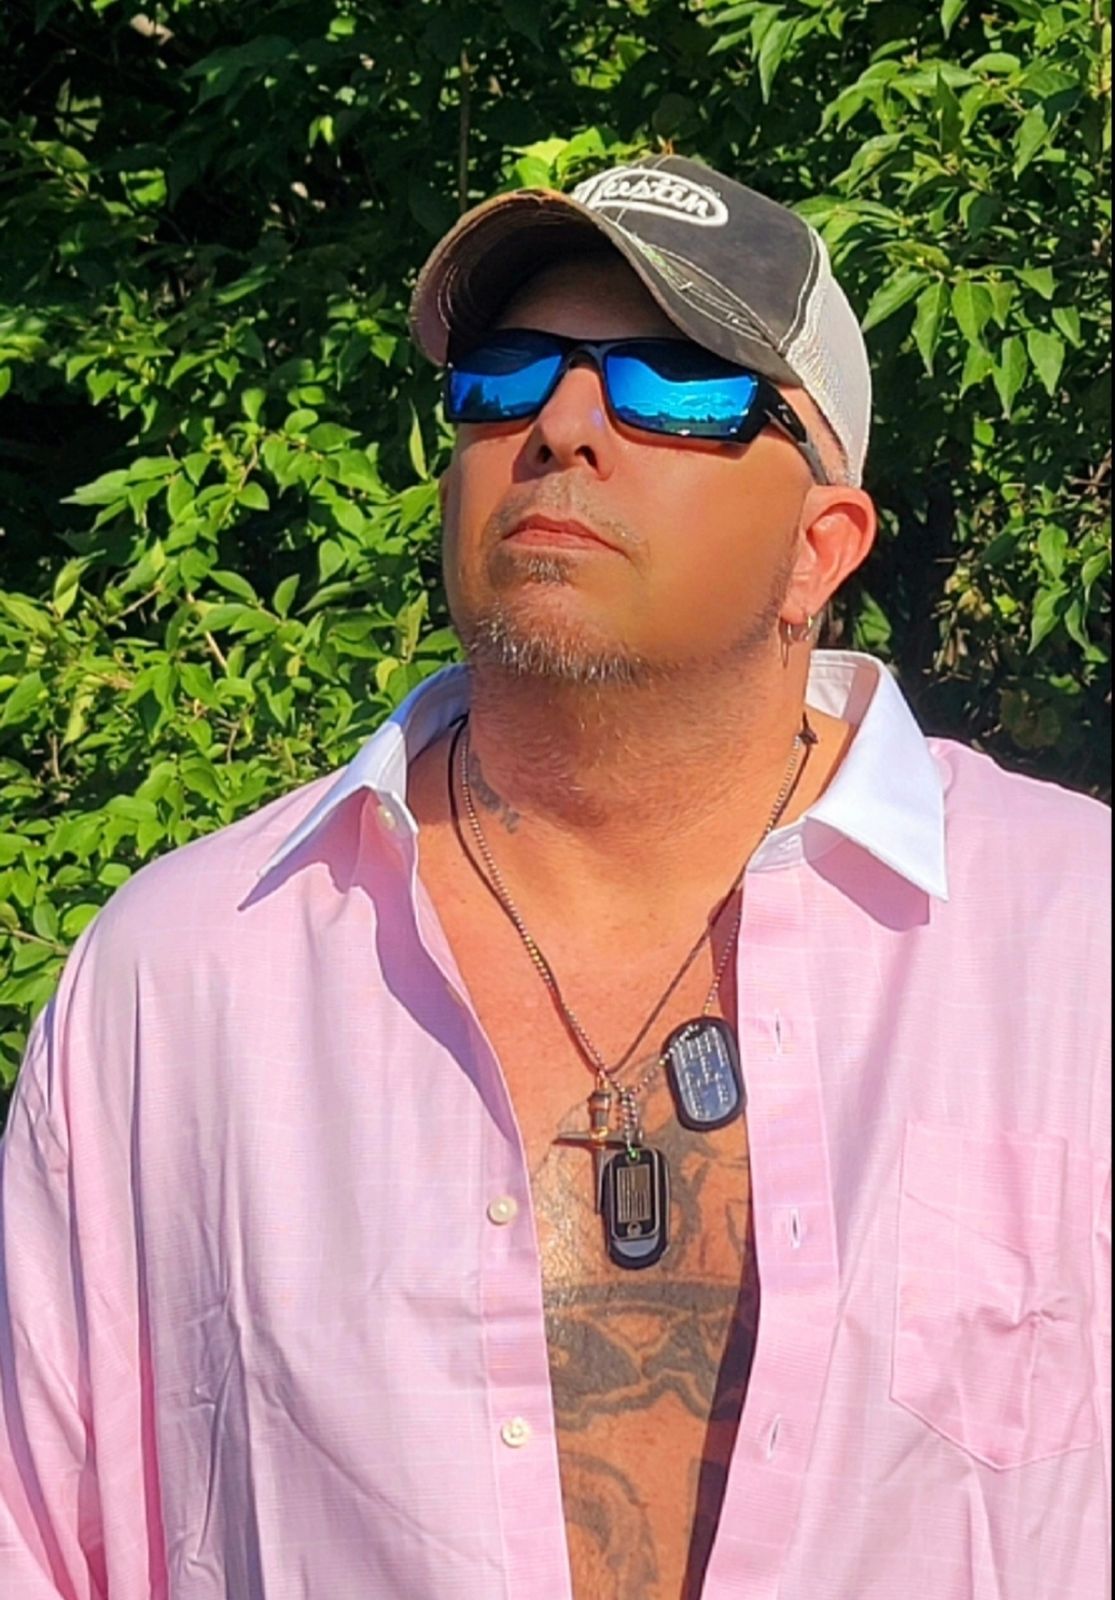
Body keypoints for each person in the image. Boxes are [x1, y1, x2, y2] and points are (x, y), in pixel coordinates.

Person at [0, 154, 1109, 1600]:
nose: (563, 427)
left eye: (676, 385)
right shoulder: (184, 980)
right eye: (507, 376)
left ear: (818, 549)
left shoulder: (1072, 944)